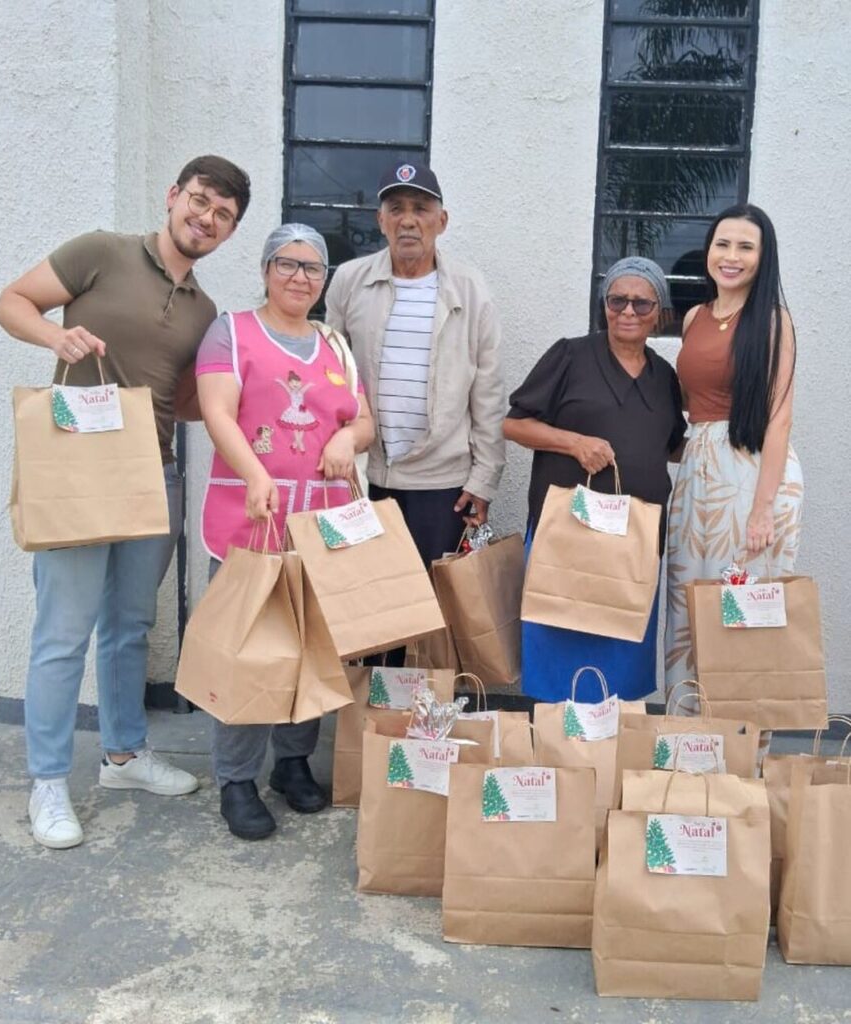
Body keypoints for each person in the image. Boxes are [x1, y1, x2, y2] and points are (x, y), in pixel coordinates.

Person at [0, 155, 251, 850]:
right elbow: (10, 302)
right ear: (174, 197)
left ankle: (124, 757)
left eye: (222, 215)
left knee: (131, 625)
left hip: (154, 475)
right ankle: (49, 781)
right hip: (76, 468)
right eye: (199, 202)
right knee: (62, 633)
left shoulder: (204, 311)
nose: (205, 218)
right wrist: (56, 333)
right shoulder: (100, 251)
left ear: (228, 233)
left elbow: (193, 404)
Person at [196, 223, 374, 840]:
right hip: (255, 517)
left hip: (320, 522)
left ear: (324, 280)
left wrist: (348, 439)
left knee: (312, 648)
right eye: (287, 264)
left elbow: (364, 422)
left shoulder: (335, 346)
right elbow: (217, 411)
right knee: (248, 647)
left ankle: (292, 761)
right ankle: (237, 778)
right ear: (267, 269)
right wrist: (253, 474)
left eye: (312, 268)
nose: (300, 277)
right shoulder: (232, 332)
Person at [504, 257, 687, 702]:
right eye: (617, 300)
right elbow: (514, 424)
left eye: (641, 304)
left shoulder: (664, 376)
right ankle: (554, 755)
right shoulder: (571, 354)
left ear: (659, 313)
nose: (628, 311)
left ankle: (606, 762)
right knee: (559, 646)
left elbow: (673, 445)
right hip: (567, 539)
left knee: (620, 657)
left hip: (634, 545)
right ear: (604, 305)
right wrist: (573, 443)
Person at [324, 162, 505, 580]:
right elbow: (329, 375)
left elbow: (489, 392)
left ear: (441, 221)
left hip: (443, 483)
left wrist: (484, 479)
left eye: (421, 209)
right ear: (380, 219)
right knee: (367, 601)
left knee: (434, 605)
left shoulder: (470, 289)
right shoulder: (350, 281)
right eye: (397, 208)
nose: (408, 220)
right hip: (365, 475)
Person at [664, 205, 802, 705]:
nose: (731, 256)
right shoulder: (695, 317)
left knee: (740, 610)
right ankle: (687, 748)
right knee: (690, 609)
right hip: (697, 477)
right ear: (709, 251)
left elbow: (779, 417)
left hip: (752, 475)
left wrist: (762, 510)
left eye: (746, 246)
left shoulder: (772, 320)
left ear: (763, 258)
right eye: (723, 244)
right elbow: (689, 404)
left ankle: (740, 754)